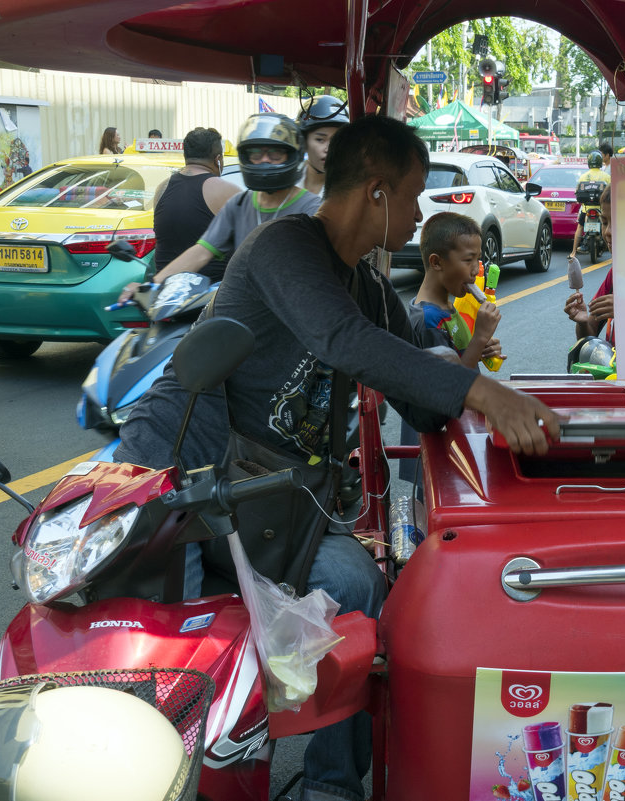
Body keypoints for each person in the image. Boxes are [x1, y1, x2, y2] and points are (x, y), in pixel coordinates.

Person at [115, 113, 559, 801]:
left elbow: (412, 363)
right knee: (182, 682)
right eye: (413, 195)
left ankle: (330, 787)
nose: (420, 214)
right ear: (376, 191)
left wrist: (479, 392)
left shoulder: (364, 283)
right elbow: (343, 342)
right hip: (197, 488)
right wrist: (478, 390)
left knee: (358, 595)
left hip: (280, 506)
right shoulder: (283, 246)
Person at [119, 113, 320, 300]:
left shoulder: (313, 209)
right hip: (241, 312)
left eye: (275, 154)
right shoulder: (238, 205)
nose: (264, 161)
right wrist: (152, 284)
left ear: (292, 156)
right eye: (256, 154)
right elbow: (201, 251)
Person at [399, 211, 504, 487]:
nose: (475, 269)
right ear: (436, 262)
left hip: (458, 431)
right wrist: (480, 337)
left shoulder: (448, 309)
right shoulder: (428, 321)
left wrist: (477, 349)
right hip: (438, 443)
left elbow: (458, 357)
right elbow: (449, 386)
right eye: (468, 260)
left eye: (477, 259)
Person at [148, 127, 241, 283]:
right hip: (210, 296)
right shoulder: (227, 191)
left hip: (165, 294)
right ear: (218, 159)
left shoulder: (162, 188)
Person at [564, 184, 614, 345]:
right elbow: (589, 334)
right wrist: (583, 321)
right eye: (605, 222)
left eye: (618, 222)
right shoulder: (615, 275)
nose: (607, 232)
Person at [297, 94, 349, 195]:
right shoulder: (288, 180)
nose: (329, 149)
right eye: (320, 140)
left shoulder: (349, 189)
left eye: (336, 141)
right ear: (303, 142)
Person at [568, 150, 610, 260]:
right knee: (608, 225)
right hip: (601, 208)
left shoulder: (584, 176)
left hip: (586, 208)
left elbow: (577, 190)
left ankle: (573, 252)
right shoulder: (606, 176)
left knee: (580, 226)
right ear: (600, 162)